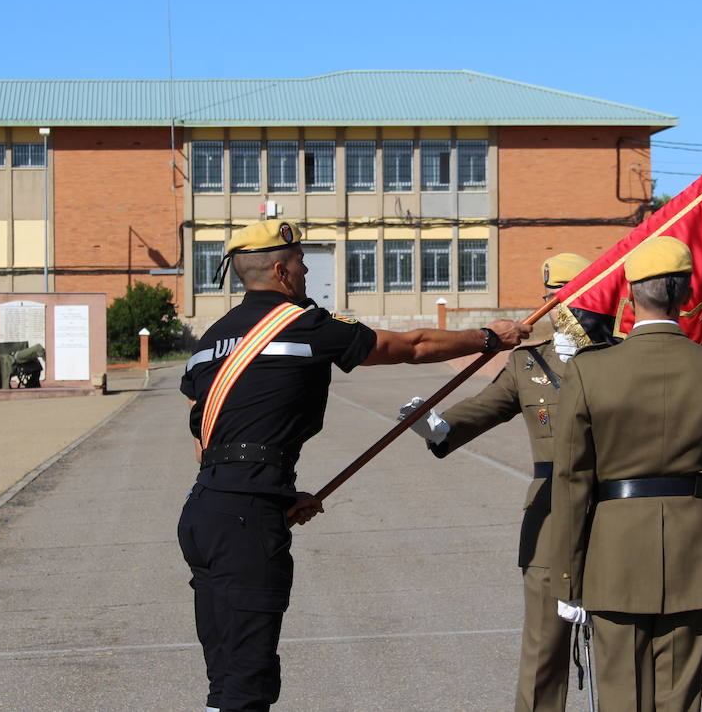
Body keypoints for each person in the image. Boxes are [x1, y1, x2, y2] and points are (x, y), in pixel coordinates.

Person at [177, 220, 530, 712]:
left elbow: (206, 439)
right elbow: (412, 347)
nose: (305, 270)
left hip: (204, 512)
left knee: (226, 673)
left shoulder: (207, 343)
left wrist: (275, 494)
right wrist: (488, 337)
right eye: (300, 261)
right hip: (245, 518)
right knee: (246, 683)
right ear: (280, 269)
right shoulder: (304, 324)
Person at [550, 237, 702, 712]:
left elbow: (571, 482)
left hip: (612, 556)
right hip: (696, 557)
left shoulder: (589, 371)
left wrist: (567, 576)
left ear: (630, 293)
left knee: (621, 697)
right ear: (687, 293)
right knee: (680, 701)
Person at [399, 253, 592, 712]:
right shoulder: (529, 363)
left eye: (567, 296)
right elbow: (488, 406)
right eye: (551, 298)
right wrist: (440, 426)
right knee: (544, 648)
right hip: (549, 516)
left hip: (613, 511)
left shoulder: (620, 356)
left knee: (623, 648)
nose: (558, 307)